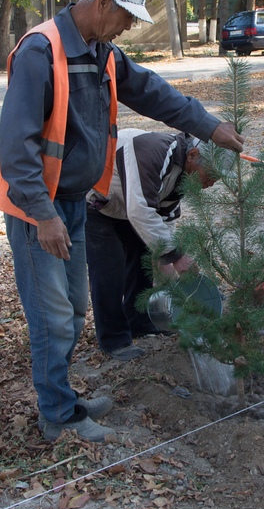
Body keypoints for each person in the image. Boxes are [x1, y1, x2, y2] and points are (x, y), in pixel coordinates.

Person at [0, 0, 244, 443]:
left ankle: (63, 399)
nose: (129, 27)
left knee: (75, 305)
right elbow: (15, 144)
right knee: (53, 313)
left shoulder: (101, 51)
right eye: (126, 16)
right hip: (36, 210)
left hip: (75, 201)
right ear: (102, 3)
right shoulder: (40, 52)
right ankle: (58, 418)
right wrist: (42, 215)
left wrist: (207, 125)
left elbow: (152, 92)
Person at [85, 128, 216, 361]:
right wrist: (176, 256)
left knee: (143, 260)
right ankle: (114, 340)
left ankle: (139, 321)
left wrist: (168, 263)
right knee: (108, 268)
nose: (212, 183)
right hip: (97, 201)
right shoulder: (152, 151)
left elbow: (166, 220)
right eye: (212, 174)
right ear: (193, 155)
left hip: (129, 208)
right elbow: (141, 210)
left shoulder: (183, 175)